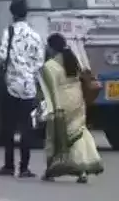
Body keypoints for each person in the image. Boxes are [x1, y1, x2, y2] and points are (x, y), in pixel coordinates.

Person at [38, 33, 103, 183]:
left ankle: (51, 170)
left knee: (55, 136)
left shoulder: (49, 66)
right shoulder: (73, 60)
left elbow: (51, 90)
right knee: (78, 133)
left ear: (51, 48)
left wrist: (53, 109)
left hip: (62, 102)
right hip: (78, 100)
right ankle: (83, 171)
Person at [0, 0, 45, 178]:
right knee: (26, 128)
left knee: (8, 127)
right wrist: (29, 73)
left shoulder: (10, 32)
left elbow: (1, 55)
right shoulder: (36, 36)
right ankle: (24, 168)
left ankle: (8, 165)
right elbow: (39, 62)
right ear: (26, 13)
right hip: (29, 87)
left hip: (11, 86)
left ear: (13, 13)